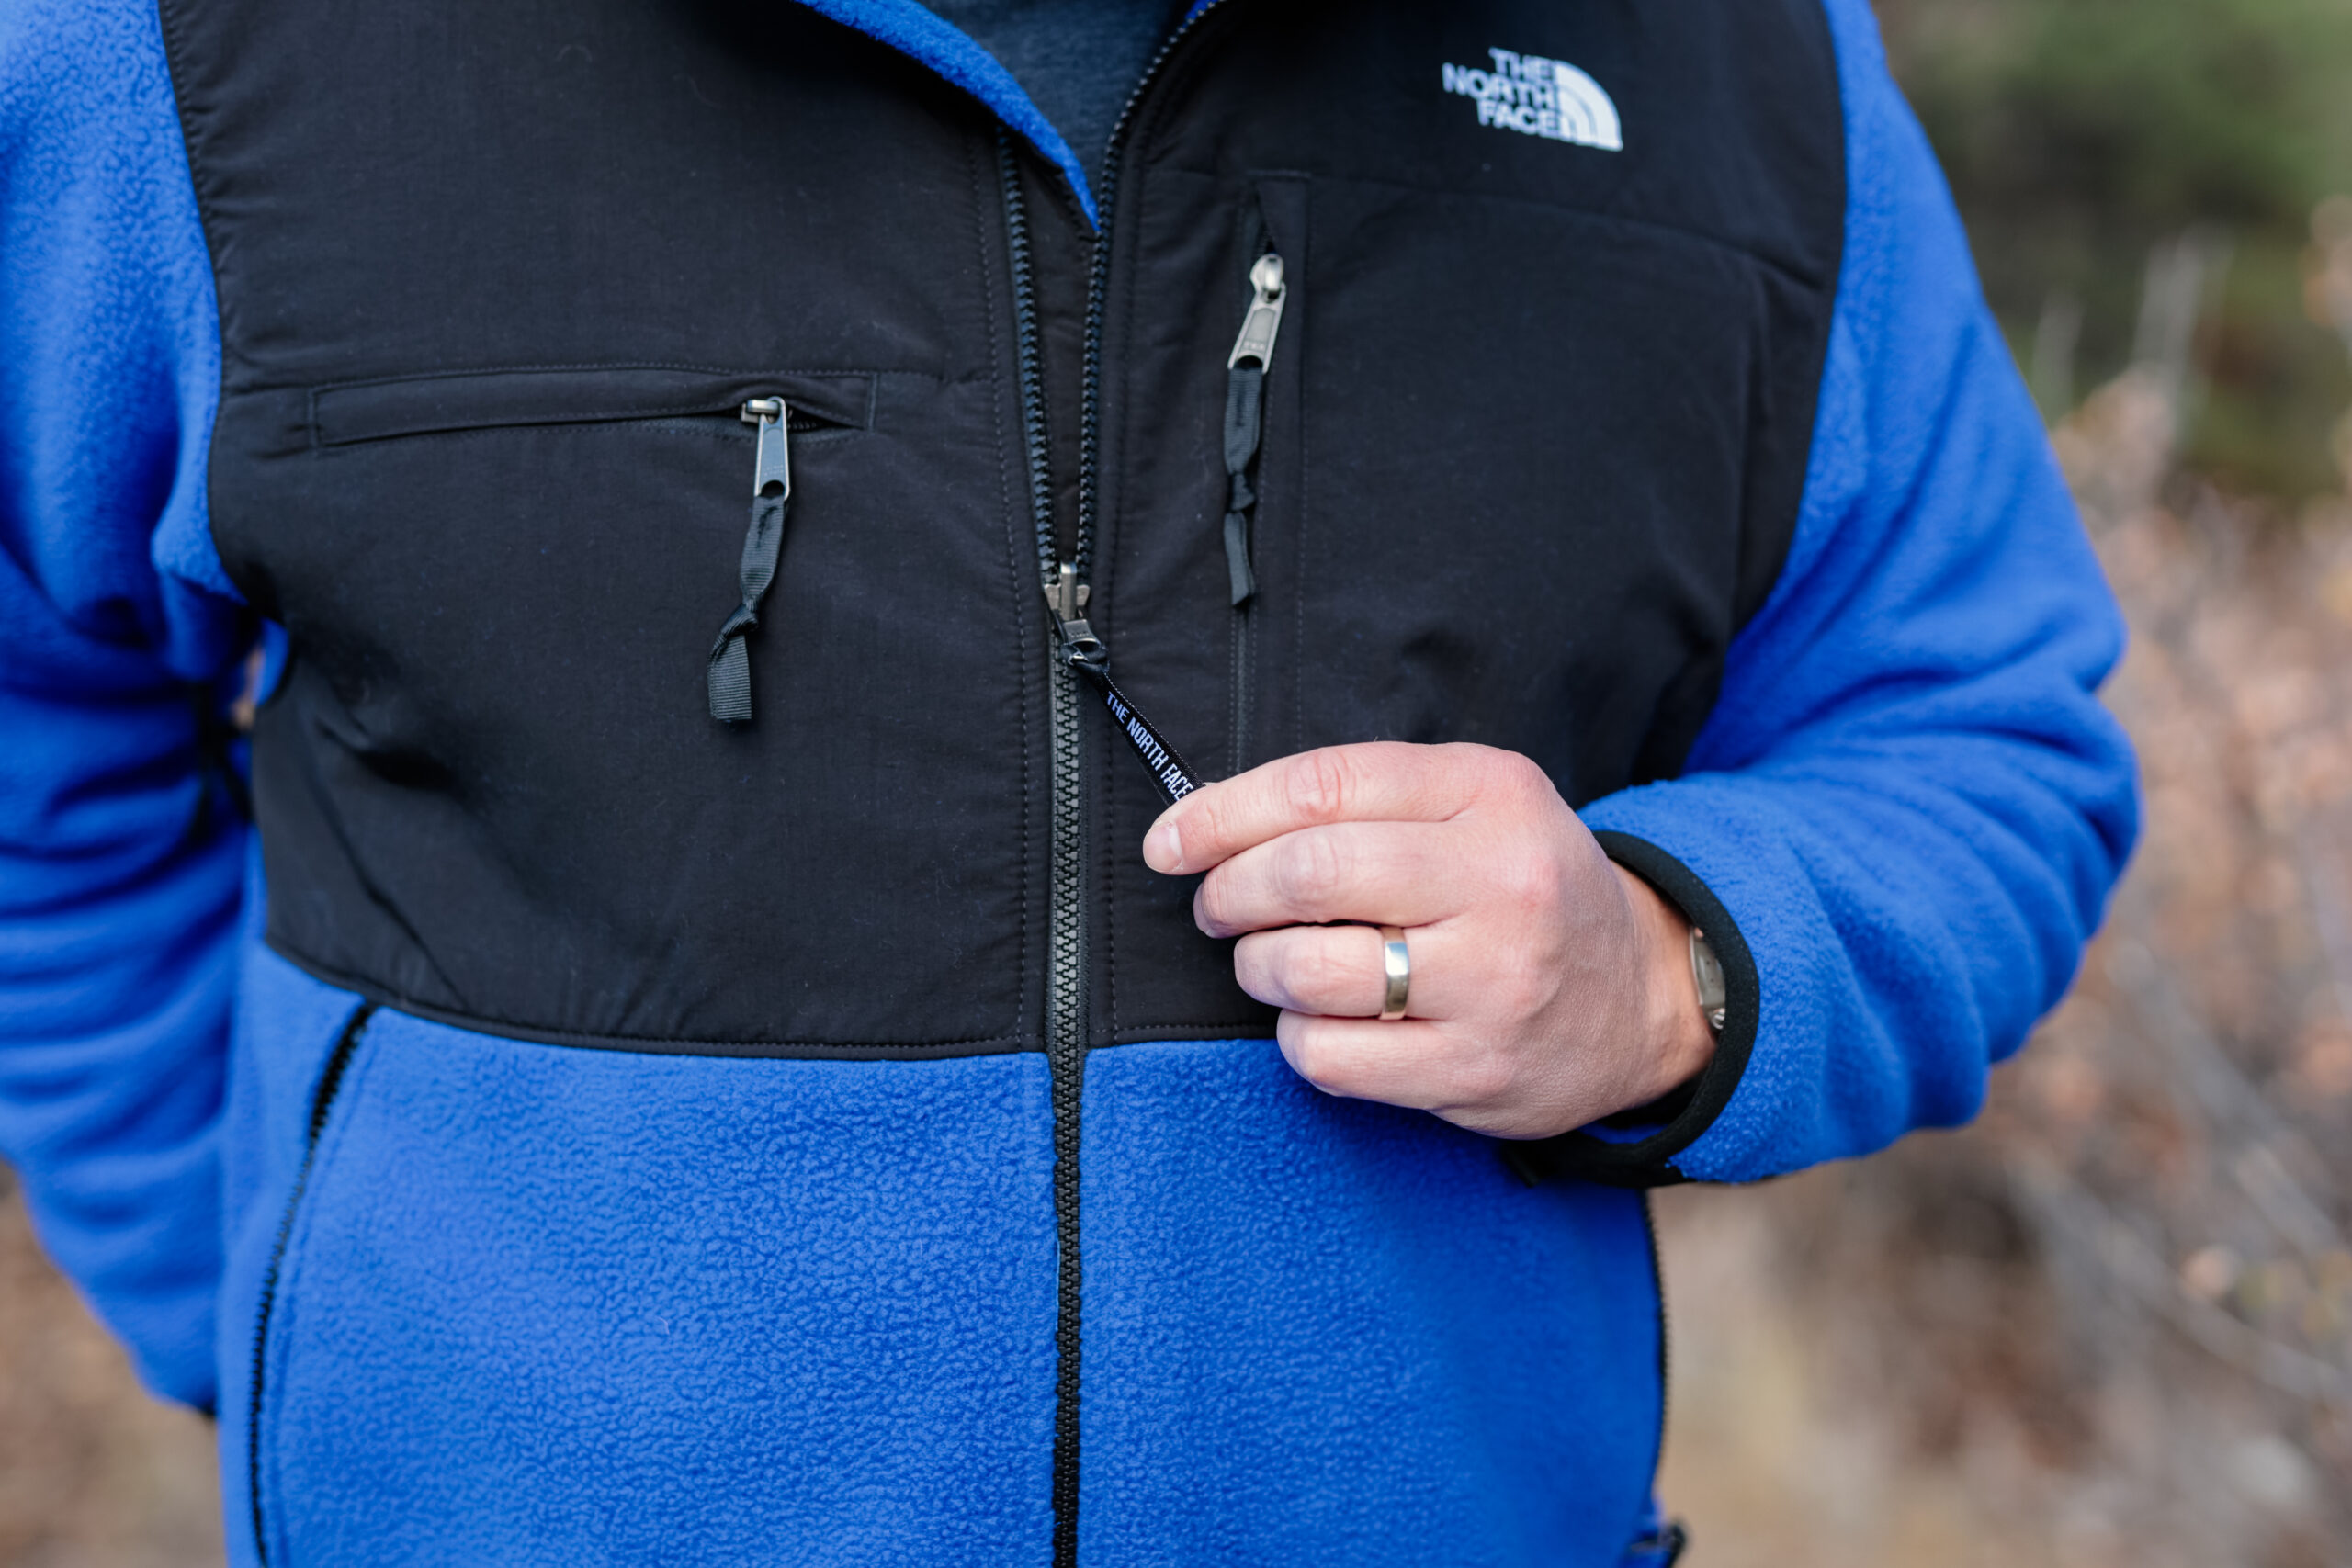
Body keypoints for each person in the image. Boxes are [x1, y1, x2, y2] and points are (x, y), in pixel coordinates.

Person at [0, 0, 2137, 1562]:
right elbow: (35, 711)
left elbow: (1977, 730)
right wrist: (257, 1301)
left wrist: (1669, 965)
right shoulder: (182, 52)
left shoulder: (1737, 69)